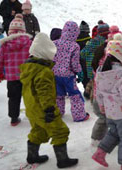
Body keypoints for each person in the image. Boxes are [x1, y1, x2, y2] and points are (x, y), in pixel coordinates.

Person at [20, 32, 78, 168]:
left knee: (38, 131)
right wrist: (49, 109)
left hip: (32, 109)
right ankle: (63, 160)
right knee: (60, 131)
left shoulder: (28, 68)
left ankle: (32, 155)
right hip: (44, 110)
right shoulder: (43, 71)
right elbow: (44, 92)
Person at [92, 33, 122, 170]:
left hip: (109, 112)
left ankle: (100, 153)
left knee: (114, 133)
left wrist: (101, 106)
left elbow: (98, 92)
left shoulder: (101, 70)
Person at [0, 14, 32, 126]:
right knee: (29, 96)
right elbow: (34, 58)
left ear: (10, 31)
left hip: (12, 77)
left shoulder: (5, 45)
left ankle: (14, 118)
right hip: (26, 75)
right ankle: (32, 115)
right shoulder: (29, 43)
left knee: (13, 98)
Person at [53, 21, 89, 122]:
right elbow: (74, 63)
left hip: (55, 74)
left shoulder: (55, 43)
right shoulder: (74, 46)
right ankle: (79, 116)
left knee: (58, 95)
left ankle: (58, 112)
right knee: (74, 95)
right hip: (68, 76)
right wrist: (79, 71)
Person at [80, 21, 109, 99]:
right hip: (106, 67)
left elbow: (83, 53)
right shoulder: (110, 41)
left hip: (92, 66)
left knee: (94, 83)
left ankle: (94, 100)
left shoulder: (94, 41)